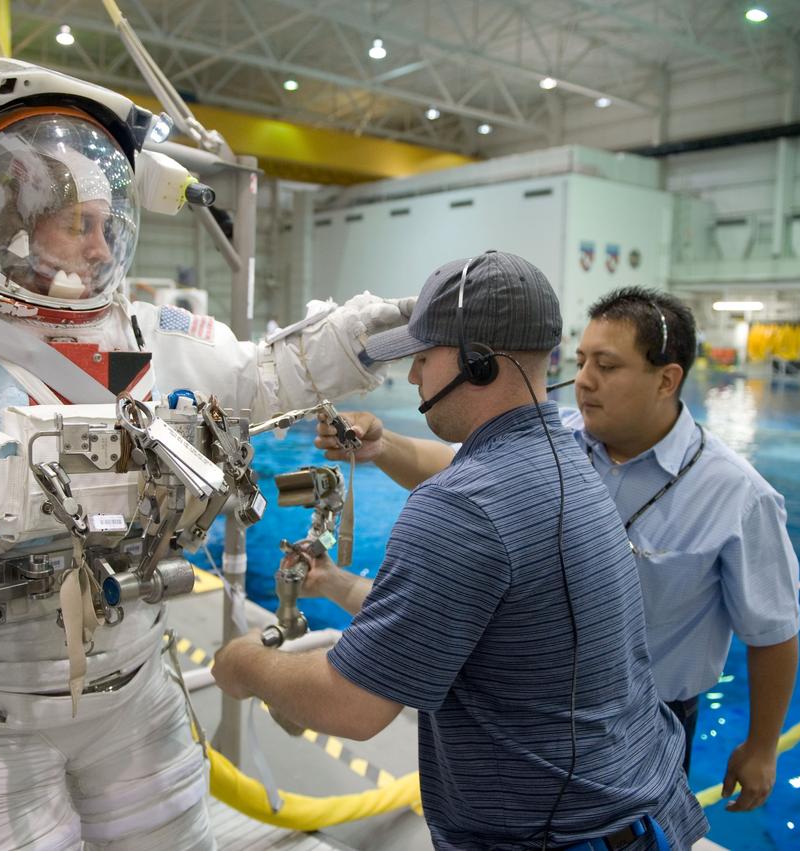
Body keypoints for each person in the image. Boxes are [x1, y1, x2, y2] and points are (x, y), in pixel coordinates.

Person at [0, 59, 412, 851]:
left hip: (134, 683)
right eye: (74, 223)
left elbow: (255, 378)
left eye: (106, 225)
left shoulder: (135, 338)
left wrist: (373, 334)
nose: (97, 248)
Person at [212, 252, 707, 850]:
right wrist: (343, 572)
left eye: (424, 355)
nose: (414, 375)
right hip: (643, 816)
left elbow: (353, 708)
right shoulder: (571, 462)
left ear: (477, 363)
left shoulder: (461, 507)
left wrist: (245, 665)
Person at [318, 286, 800, 811]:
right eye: (582, 360)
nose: (585, 380)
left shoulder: (737, 497)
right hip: (528, 713)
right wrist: (381, 447)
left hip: (645, 722)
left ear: (667, 379)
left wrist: (762, 747)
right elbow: (453, 467)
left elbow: (772, 632)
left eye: (608, 366)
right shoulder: (558, 439)